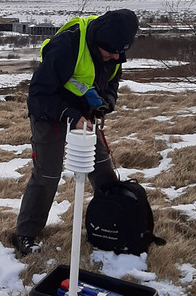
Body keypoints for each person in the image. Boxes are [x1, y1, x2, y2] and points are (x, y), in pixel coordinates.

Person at [13, 9, 139, 256]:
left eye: (120, 52)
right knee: (48, 174)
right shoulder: (66, 46)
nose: (117, 56)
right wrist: (70, 115)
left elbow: (112, 80)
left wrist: (106, 101)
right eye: (112, 52)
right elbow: (37, 96)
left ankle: (114, 226)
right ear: (97, 42)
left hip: (84, 112)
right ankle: (25, 234)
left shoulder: (114, 49)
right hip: (50, 110)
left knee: (102, 168)